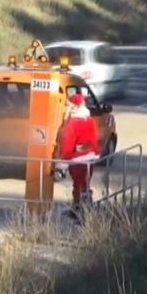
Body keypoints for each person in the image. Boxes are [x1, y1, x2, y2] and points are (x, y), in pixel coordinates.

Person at [54, 92, 100, 222]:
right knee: (85, 184)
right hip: (90, 158)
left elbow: (67, 144)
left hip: (77, 158)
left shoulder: (72, 123)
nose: (66, 108)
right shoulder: (89, 120)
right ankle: (83, 211)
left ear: (73, 107)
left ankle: (80, 212)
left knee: (78, 185)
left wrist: (62, 163)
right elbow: (93, 140)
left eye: (68, 105)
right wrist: (95, 153)